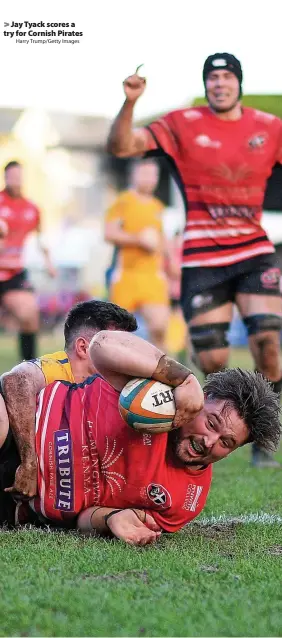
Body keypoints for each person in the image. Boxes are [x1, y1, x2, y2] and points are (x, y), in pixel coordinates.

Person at [106, 53, 282, 468]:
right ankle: (196, 430)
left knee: (270, 345)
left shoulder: (269, 127)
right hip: (203, 256)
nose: (219, 84)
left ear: (238, 82)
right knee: (214, 361)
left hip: (254, 250)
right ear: (206, 84)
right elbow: (122, 145)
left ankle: (262, 441)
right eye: (213, 77)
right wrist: (130, 102)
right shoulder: (182, 123)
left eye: (226, 76)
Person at [0, 330, 279, 545]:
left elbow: (84, 518)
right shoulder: (157, 392)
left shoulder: (186, 502)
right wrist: (184, 379)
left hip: (17, 502)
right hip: (19, 428)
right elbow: (102, 343)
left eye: (226, 442)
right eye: (212, 422)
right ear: (200, 400)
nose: (209, 441)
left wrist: (111, 519)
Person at [1, 299, 137, 499]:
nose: (128, 355)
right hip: (19, 456)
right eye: (118, 346)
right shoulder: (56, 368)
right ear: (83, 348)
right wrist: (29, 463)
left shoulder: (123, 384)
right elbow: (16, 381)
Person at [104, 159, 169, 349]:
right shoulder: (123, 202)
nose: (150, 179)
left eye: (154, 175)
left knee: (159, 328)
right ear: (134, 175)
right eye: (145, 174)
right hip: (126, 275)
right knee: (117, 334)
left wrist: (170, 260)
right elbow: (109, 233)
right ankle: (112, 374)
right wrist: (138, 239)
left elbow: (161, 239)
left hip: (152, 275)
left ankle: (160, 376)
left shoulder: (158, 207)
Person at [0, 161, 56, 362]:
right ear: (5, 178)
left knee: (30, 315)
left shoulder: (32, 208)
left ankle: (28, 368)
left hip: (13, 272)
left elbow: (41, 238)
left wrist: (49, 262)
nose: (15, 180)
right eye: (11, 176)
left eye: (18, 176)